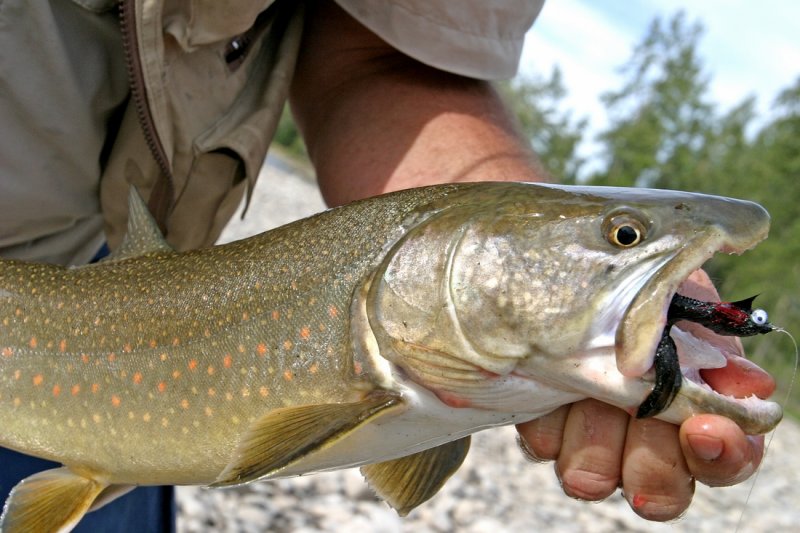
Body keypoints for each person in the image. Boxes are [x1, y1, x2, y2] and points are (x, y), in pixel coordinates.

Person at [0, 0, 775, 529]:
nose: (628, 251)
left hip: (78, 279)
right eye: (624, 239)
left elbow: (376, 52)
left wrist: (585, 321)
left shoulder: (443, 359)